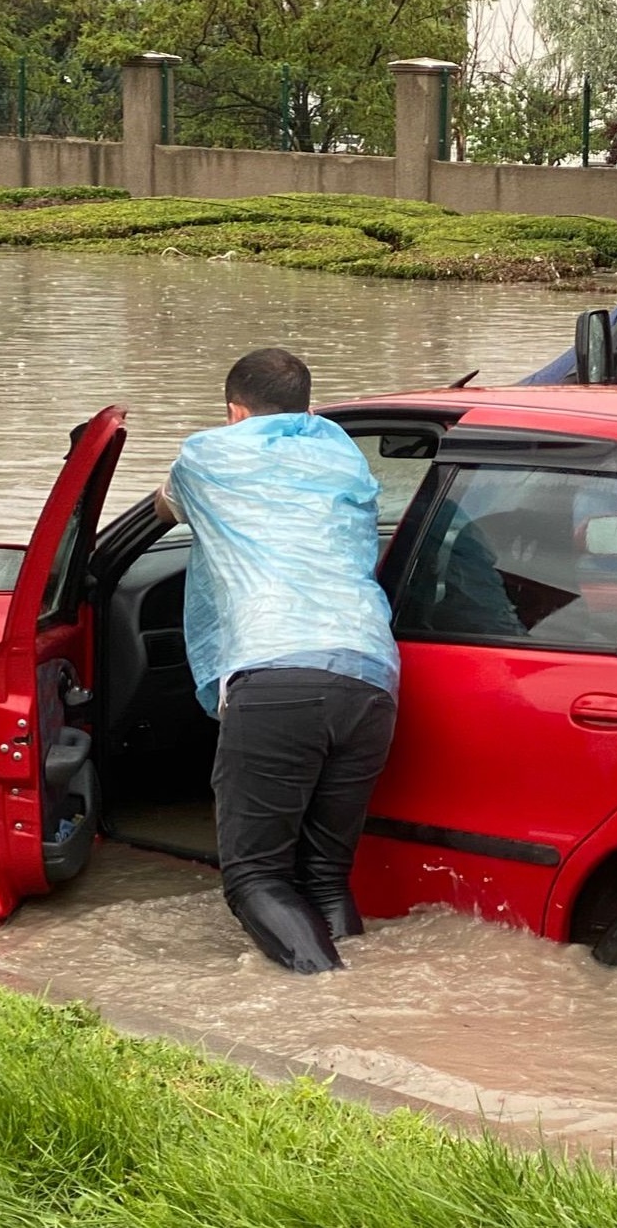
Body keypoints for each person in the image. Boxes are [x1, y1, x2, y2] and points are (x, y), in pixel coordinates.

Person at [152, 348, 399, 975]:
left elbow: (164, 508)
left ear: (235, 412)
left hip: (277, 674)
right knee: (323, 876)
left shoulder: (207, 456)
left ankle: (331, 1003)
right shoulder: (342, 454)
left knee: (254, 880)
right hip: (372, 678)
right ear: (307, 410)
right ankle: (368, 994)